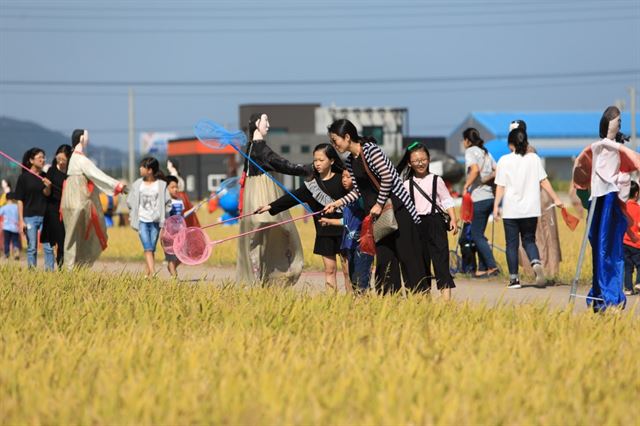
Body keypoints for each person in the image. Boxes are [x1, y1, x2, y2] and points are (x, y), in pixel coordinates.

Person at [324, 119, 427, 294]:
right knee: (385, 261)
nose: (334, 145)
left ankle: (420, 299)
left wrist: (379, 204)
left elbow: (387, 177)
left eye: (335, 140)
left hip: (397, 209)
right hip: (378, 217)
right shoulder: (350, 161)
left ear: (347, 137)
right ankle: (389, 303)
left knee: (408, 257)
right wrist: (338, 203)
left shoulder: (371, 151)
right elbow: (359, 191)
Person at [256, 143, 350, 292]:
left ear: (332, 161)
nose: (317, 164)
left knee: (347, 271)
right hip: (324, 232)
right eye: (315, 160)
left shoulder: (343, 180)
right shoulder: (311, 185)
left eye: (321, 160)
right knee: (330, 270)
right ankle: (332, 304)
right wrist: (270, 206)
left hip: (345, 230)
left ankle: (352, 303)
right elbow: (291, 198)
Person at [236, 112, 311, 286]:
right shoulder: (261, 149)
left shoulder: (250, 148)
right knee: (276, 232)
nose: (268, 124)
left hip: (252, 197)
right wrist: (307, 169)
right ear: (256, 123)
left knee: (256, 239)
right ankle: (273, 275)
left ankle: (258, 278)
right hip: (263, 196)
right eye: (265, 120)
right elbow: (282, 164)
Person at [493, 128, 564, 289]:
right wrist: (556, 198)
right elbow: (544, 181)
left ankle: (514, 280)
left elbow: (500, 186)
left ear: (510, 144)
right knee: (529, 240)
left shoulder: (504, 160)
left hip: (511, 210)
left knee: (511, 244)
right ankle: (536, 262)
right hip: (531, 210)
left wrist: (496, 206)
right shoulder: (534, 159)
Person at [397, 142, 458, 300]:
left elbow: (447, 200)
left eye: (423, 159)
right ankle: (426, 301)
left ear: (429, 160)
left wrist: (453, 218)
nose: (420, 163)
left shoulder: (436, 180)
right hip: (415, 226)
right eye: (416, 161)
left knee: (441, 263)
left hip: (435, 222)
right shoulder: (406, 184)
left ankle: (446, 303)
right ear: (409, 163)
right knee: (421, 264)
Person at [61, 129, 127, 269]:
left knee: (73, 236)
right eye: (86, 135)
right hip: (79, 201)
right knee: (77, 236)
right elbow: (98, 175)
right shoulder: (81, 159)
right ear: (81, 138)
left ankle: (71, 266)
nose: (88, 139)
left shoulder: (74, 158)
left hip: (69, 201)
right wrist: (118, 186)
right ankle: (74, 267)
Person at [319, 169, 374, 294]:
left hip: (362, 243)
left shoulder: (362, 198)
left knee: (361, 279)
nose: (344, 179)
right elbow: (347, 221)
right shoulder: (347, 200)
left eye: (348, 177)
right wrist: (329, 221)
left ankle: (365, 305)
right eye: (343, 176)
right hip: (350, 244)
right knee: (354, 279)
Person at [461, 128, 499, 278]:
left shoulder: (470, 151)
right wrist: (487, 180)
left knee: (476, 235)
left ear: (467, 140)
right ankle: (483, 269)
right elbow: (497, 170)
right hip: (490, 197)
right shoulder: (485, 152)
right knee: (480, 234)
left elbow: (475, 170)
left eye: (463, 140)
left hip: (479, 198)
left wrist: (466, 186)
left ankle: (492, 266)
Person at [127, 157, 171, 278]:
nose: (140, 169)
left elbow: (168, 202)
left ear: (150, 170)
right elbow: (130, 200)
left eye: (143, 167)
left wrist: (163, 216)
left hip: (156, 221)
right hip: (142, 221)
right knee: (147, 247)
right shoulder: (137, 184)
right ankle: (153, 273)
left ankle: (147, 275)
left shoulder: (161, 185)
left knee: (151, 248)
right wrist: (133, 214)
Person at [15, 147, 55, 270]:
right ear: (31, 160)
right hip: (29, 217)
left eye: (44, 157)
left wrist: (48, 186)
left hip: (45, 216)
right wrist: (21, 220)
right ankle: (32, 273)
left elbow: (47, 194)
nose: (43, 160)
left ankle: (50, 273)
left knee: (48, 247)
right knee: (32, 247)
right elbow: (20, 200)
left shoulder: (45, 177)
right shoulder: (23, 178)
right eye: (40, 158)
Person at [41, 144, 71, 269]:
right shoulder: (51, 171)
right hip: (53, 210)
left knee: (66, 240)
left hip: (68, 210)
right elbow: (46, 193)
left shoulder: (71, 173)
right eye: (58, 158)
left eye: (63, 159)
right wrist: (47, 186)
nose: (61, 162)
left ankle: (63, 266)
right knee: (60, 240)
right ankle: (59, 266)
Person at [623, 180, 640, 296]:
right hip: (637, 242)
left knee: (627, 268)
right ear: (636, 194)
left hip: (623, 243)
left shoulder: (623, 208)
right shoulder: (638, 209)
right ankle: (638, 283)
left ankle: (628, 289)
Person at [0, 192, 20, 260]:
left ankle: (6, 254)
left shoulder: (4, 207)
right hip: (15, 227)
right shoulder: (17, 207)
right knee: (15, 241)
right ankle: (16, 250)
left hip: (7, 227)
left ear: (6, 199)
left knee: (6, 241)